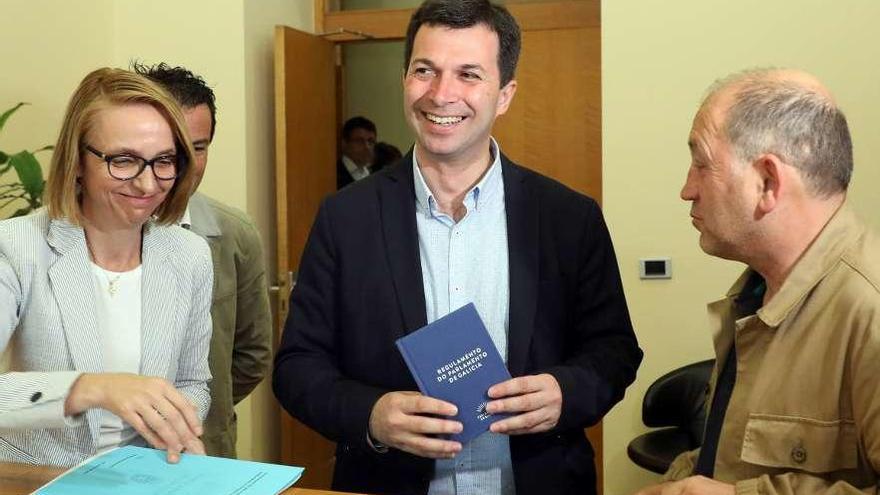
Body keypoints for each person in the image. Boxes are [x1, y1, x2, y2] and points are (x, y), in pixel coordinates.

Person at [273, 1, 642, 494]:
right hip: (387, 482)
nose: (442, 94)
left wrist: (565, 392)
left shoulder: (568, 218)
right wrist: (371, 415)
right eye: (425, 70)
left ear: (504, 94)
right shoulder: (345, 217)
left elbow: (614, 351)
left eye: (469, 74)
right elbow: (298, 366)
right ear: (405, 79)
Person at [635, 69, 880, 495]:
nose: (687, 189)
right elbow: (732, 455)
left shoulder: (868, 308)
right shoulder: (757, 294)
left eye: (701, 164)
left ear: (767, 181)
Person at [0, 68, 212, 466]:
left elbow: (192, 383)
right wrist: (90, 388)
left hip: (148, 478)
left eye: (163, 161)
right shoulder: (15, 247)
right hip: (36, 478)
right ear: (77, 160)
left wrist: (176, 425)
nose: (148, 185)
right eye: (124, 160)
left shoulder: (189, 255)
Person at [134, 62, 273, 459]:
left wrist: (193, 409)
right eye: (172, 145)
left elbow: (253, 354)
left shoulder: (234, 234)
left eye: (199, 147)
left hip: (202, 449)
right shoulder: (79, 233)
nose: (185, 164)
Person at [337, 116, 377, 189]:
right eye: (359, 141)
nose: (367, 147)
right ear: (344, 143)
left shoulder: (374, 174)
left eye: (370, 141)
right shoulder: (334, 174)